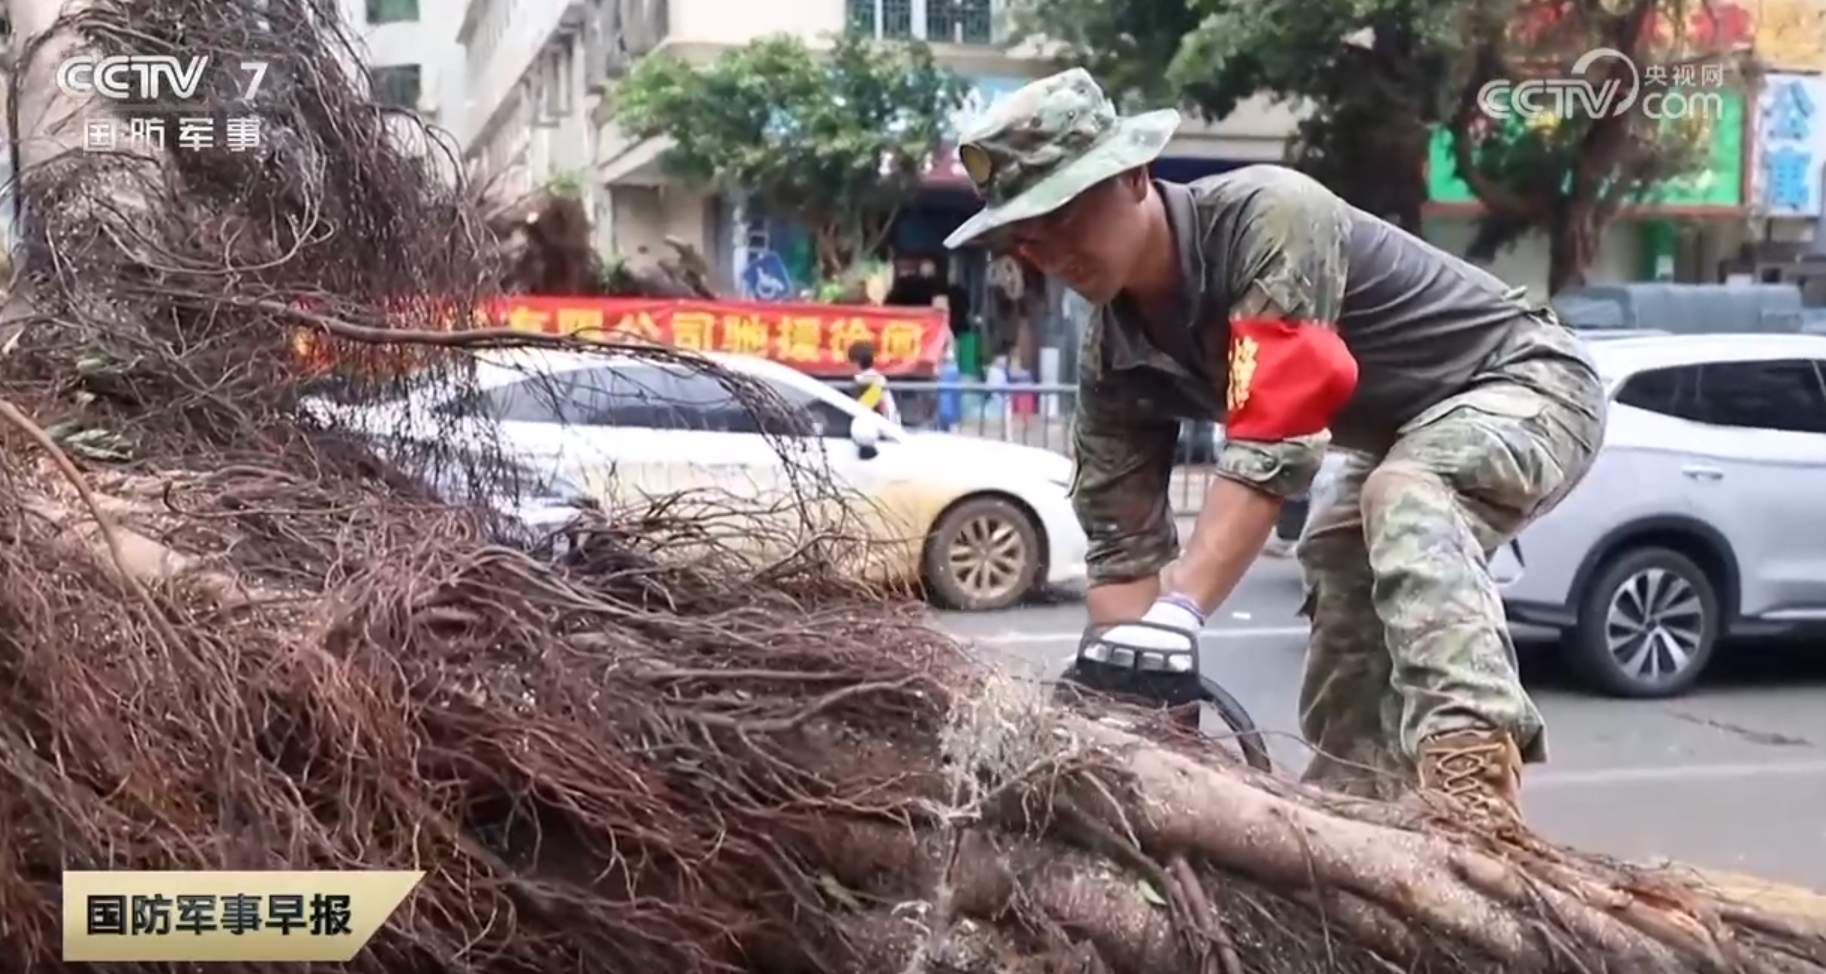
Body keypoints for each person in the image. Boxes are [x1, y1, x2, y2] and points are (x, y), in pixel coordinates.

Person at [941, 68, 1607, 822]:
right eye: (1029, 239)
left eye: (1064, 214)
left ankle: (1474, 782)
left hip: (1530, 381)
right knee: (1336, 544)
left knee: (1408, 496)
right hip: (1400, 431)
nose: (1052, 251)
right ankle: (1355, 802)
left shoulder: (1270, 217)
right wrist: (1136, 708)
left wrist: (1182, 610)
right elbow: (1122, 553)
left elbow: (1275, 437)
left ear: (1132, 176)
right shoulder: (1113, 357)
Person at [847, 340, 900, 424]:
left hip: (886, 427)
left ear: (856, 362)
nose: (848, 365)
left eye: (849, 361)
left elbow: (865, 406)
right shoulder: (866, 377)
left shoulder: (872, 378)